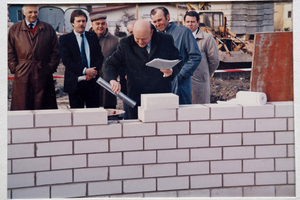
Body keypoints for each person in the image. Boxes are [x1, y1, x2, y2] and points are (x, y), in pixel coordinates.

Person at [103, 20, 182, 119]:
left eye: (144, 39)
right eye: (137, 38)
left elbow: (178, 59)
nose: (141, 42)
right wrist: (112, 79)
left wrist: (171, 71)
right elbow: (109, 64)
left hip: (160, 95)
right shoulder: (125, 43)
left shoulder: (166, 40)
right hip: (136, 97)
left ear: (152, 32)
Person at [8, 5, 60, 110]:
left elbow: (56, 52)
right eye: (30, 12)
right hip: (22, 73)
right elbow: (10, 51)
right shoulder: (14, 29)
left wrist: (49, 68)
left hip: (43, 72)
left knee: (44, 107)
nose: (33, 15)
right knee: (22, 106)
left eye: (35, 12)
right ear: (23, 12)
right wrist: (15, 68)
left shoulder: (48, 28)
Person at [150, 7, 202, 105]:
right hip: (160, 86)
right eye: (154, 21)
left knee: (182, 116)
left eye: (159, 20)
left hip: (180, 85)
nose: (157, 24)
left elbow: (195, 56)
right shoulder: (154, 37)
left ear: (168, 17)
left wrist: (180, 75)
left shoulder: (183, 32)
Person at [59, 9, 104, 108]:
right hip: (75, 83)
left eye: (83, 21)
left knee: (93, 115)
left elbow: (99, 57)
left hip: (92, 83)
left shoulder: (92, 36)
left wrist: (92, 72)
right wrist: (85, 71)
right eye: (78, 21)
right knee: (77, 117)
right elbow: (67, 61)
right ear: (72, 23)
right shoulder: (65, 39)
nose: (81, 24)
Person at [184, 11, 220, 104]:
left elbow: (214, 60)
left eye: (192, 22)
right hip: (184, 81)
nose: (190, 24)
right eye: (187, 22)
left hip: (200, 83)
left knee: (201, 111)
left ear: (198, 22)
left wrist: (204, 74)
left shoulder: (207, 38)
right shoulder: (181, 37)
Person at [89, 13, 118, 109]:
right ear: (92, 25)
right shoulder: (86, 39)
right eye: (97, 23)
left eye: (103, 23)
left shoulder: (115, 40)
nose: (100, 26)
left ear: (106, 25)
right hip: (90, 80)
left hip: (108, 81)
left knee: (109, 110)